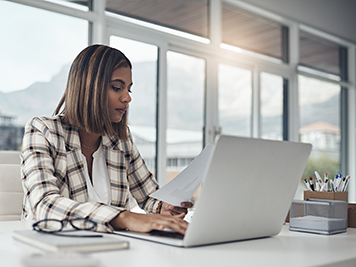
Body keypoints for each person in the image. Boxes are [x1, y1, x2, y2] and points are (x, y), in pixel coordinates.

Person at [21, 44, 192, 234]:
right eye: (117, 87)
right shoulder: (43, 131)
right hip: (50, 251)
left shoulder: (121, 140)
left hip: (111, 249)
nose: (127, 98)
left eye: (129, 89)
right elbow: (44, 205)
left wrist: (163, 207)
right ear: (88, 88)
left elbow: (149, 196)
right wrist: (123, 217)